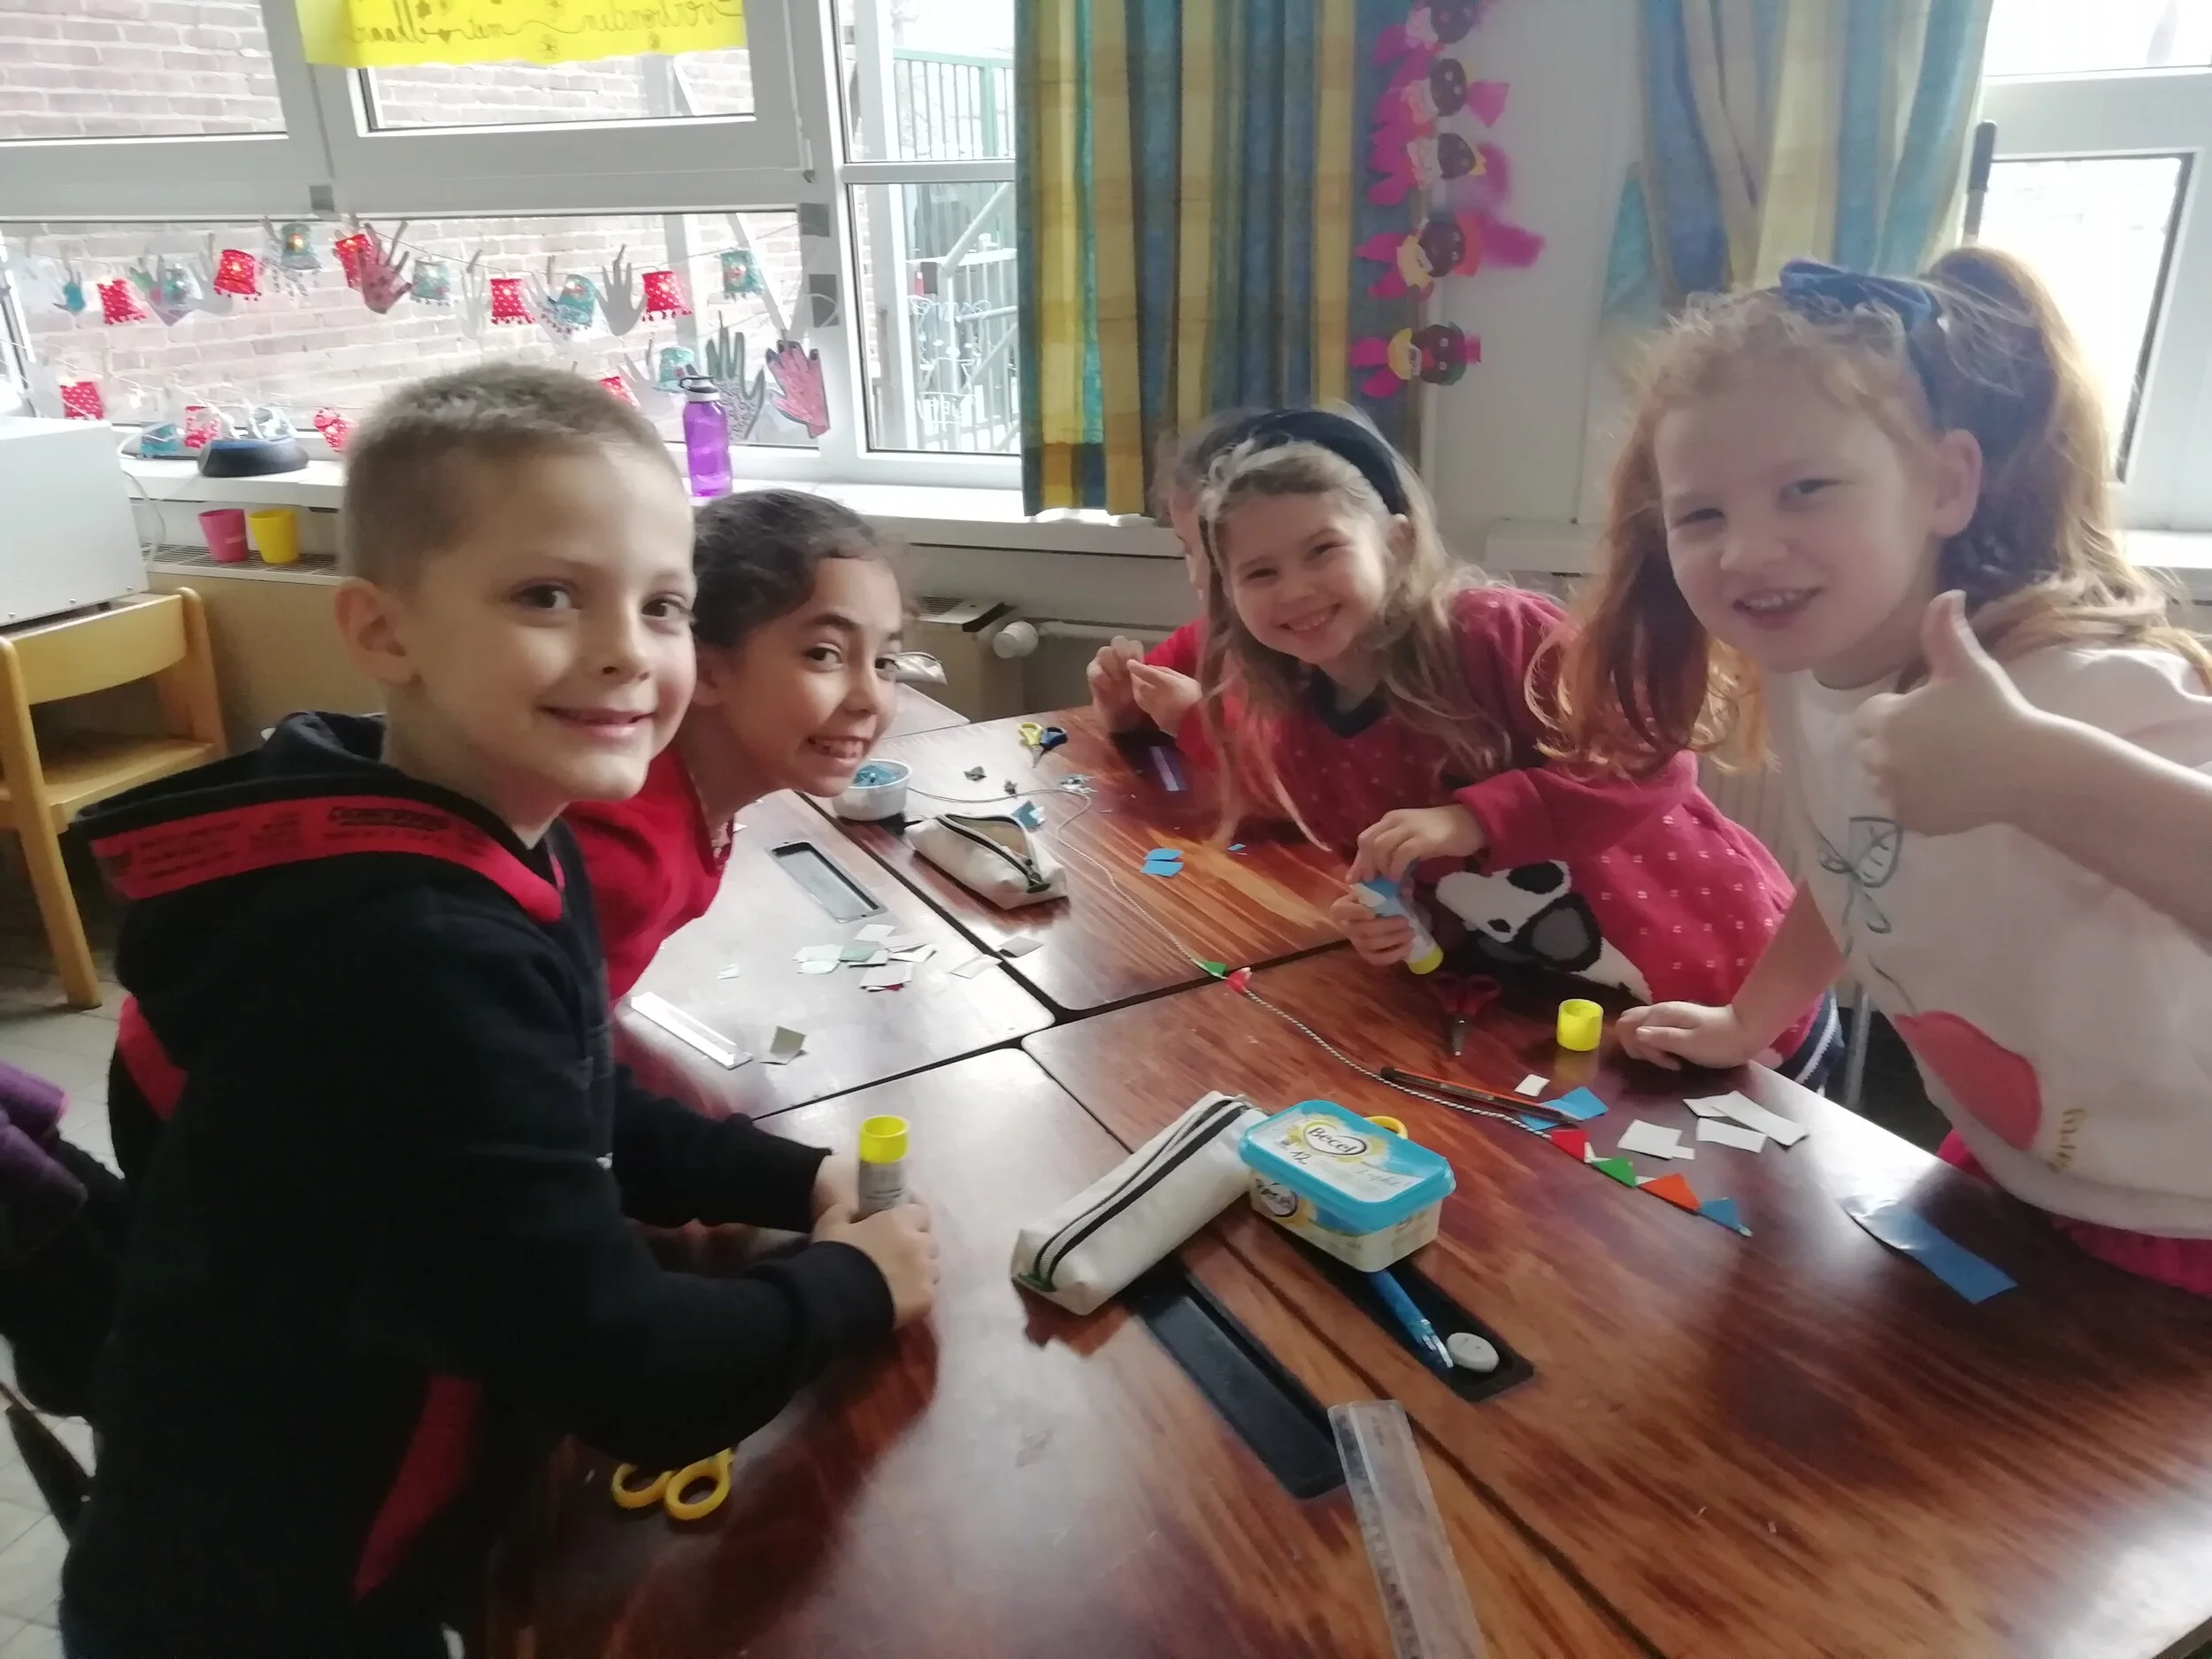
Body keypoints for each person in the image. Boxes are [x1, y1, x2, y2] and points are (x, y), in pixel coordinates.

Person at [64, 365, 940, 1659]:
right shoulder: (411, 957)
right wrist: (851, 1286)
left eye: (661, 605)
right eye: (548, 595)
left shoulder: (490, 838)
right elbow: (631, 1373)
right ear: (382, 631)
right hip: (281, 1590)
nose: (626, 651)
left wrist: (788, 1173)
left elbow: (578, 1097)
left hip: (357, 1505)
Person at [1550, 247, 2212, 1296]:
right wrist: (1745, 1021)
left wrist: (2035, 770)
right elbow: (1853, 867)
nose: (1745, 550)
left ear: (1946, 484)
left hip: (2186, 1220)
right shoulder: (1812, 671)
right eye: (1701, 515)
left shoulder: (2069, 683)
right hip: (2003, 1168)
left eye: (1805, 489)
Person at [1194, 407, 1837, 1079]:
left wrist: (1474, 820)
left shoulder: (1496, 634)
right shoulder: (1300, 740)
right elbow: (1413, 889)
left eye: (1323, 550)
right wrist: (1392, 923)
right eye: (1259, 573)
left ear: (1396, 542)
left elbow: (1653, 762)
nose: (1295, 589)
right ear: (1228, 594)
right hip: (1572, 1025)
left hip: (1734, 982)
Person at [566, 488, 904, 998]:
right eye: (824, 654)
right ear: (704, 669)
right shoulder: (621, 857)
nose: (871, 699)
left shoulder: (696, 799)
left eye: (885, 662)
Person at [1087, 409, 1259, 740]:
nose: (1197, 577)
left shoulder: (1307, 651)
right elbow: (1141, 703)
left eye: (1214, 553)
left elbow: (1289, 765)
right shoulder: (1211, 634)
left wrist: (1194, 720)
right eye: (1188, 550)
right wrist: (1123, 705)